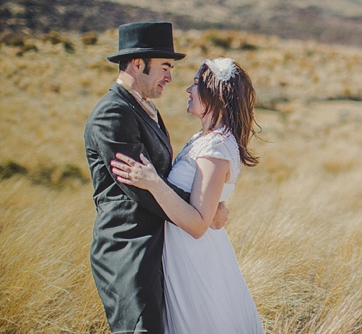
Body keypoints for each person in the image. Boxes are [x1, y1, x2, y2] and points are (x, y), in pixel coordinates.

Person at [84, 21, 230, 333]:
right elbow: (141, 188)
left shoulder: (146, 108)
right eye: (164, 66)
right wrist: (202, 211)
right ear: (138, 64)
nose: (170, 77)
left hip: (160, 247)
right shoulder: (113, 114)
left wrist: (203, 208)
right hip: (129, 250)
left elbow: (159, 178)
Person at [111, 57, 264, 333]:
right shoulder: (207, 139)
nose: (187, 90)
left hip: (195, 259)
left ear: (215, 94)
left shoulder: (215, 148)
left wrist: (153, 182)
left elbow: (196, 224)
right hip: (185, 253)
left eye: (195, 84)